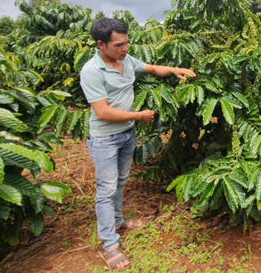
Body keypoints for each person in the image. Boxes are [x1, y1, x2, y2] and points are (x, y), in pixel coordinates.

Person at [80, 18, 196, 271]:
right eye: (119, 45)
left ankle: (119, 221)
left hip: (126, 135)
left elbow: (153, 69)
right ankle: (110, 244)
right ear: (101, 44)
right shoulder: (92, 71)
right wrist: (138, 116)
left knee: (121, 180)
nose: (125, 48)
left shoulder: (126, 60)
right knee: (106, 190)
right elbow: (102, 112)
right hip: (105, 139)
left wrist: (175, 70)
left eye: (127, 43)